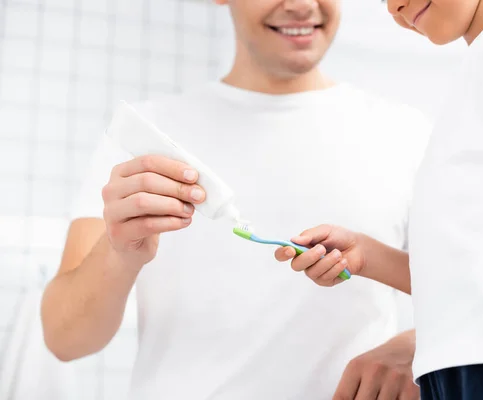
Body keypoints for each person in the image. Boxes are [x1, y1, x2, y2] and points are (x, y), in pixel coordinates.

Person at [40, 0, 431, 399]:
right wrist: (120, 253)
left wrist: (416, 345)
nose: (301, 5)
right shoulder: (146, 141)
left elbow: (479, 297)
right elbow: (64, 339)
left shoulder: (408, 135)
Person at [275, 0, 483, 399]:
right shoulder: (480, 72)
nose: (394, 6)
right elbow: (475, 272)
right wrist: (365, 255)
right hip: (461, 371)